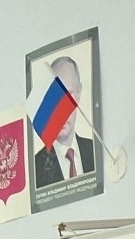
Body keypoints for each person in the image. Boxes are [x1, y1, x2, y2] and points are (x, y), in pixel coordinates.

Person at [33, 55, 95, 186]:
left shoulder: (95, 152)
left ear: (79, 93)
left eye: (68, 96)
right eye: (55, 97)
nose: (61, 109)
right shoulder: (35, 169)